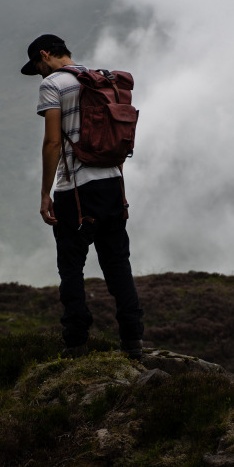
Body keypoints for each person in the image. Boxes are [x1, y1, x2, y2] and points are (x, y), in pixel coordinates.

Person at [21, 33, 144, 358]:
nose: (40, 75)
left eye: (38, 67)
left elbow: (52, 143)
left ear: (45, 55)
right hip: (113, 184)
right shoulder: (101, 80)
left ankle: (76, 344)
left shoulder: (53, 85)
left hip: (75, 190)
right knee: (118, 265)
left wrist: (45, 194)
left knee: (72, 268)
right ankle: (133, 342)